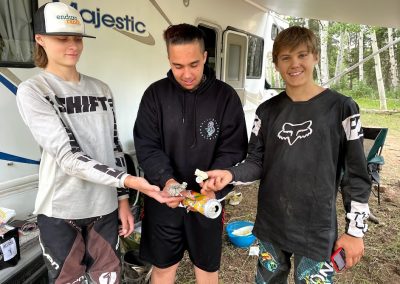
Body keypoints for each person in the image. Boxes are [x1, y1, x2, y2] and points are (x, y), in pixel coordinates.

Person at [16, 2, 179, 283]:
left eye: (77, 38)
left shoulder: (101, 89)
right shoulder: (34, 90)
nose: (73, 45)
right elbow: (68, 158)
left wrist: (123, 201)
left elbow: (114, 148)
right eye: (62, 38)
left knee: (109, 279)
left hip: (104, 210)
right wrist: (129, 181)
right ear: (40, 39)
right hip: (60, 213)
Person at [201, 26, 371, 283]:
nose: (295, 64)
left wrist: (355, 232)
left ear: (315, 57)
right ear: (276, 63)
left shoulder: (342, 108)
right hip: (271, 226)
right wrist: (230, 174)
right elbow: (256, 161)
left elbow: (357, 175)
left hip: (316, 230)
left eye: (302, 55)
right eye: (286, 57)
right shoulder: (267, 111)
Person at [133, 23, 248, 283]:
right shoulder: (155, 95)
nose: (186, 74)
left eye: (194, 64)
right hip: (165, 199)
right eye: (178, 66)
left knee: (207, 270)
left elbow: (233, 147)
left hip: (206, 200)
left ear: (205, 56)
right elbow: (147, 146)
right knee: (163, 269)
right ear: (169, 60)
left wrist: (215, 182)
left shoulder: (225, 97)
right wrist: (167, 180)